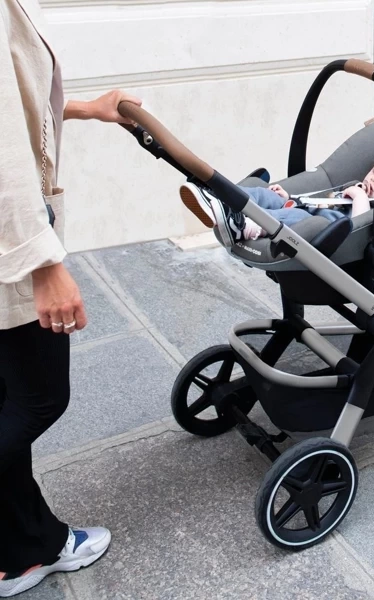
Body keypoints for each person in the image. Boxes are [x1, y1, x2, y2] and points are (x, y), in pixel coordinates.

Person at [0, 0, 142, 596]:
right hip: (12, 246)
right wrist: (45, 264)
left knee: (7, 397)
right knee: (40, 399)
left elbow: (15, 102)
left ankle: (25, 548)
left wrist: (85, 108)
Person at [180, 148, 374, 248]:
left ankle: (245, 225)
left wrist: (360, 197)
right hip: (303, 208)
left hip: (319, 229)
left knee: (292, 216)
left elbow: (359, 228)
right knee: (265, 194)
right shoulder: (354, 186)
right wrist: (291, 196)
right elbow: (322, 198)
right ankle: (219, 196)